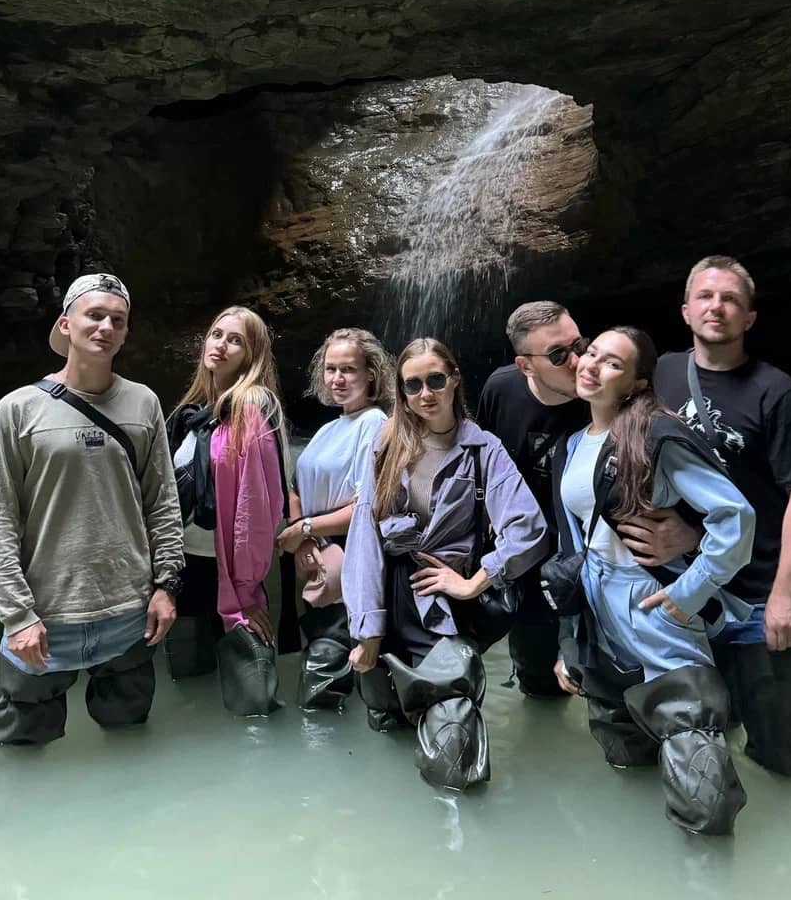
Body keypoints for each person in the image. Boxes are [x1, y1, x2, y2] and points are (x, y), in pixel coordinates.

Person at [551, 326, 755, 834]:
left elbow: (735, 517)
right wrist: (568, 641)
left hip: (650, 598)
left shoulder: (655, 436)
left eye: (613, 363)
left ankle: (709, 856)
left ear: (638, 383)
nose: (593, 365)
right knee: (622, 745)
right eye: (591, 353)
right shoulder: (571, 446)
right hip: (597, 605)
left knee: (692, 744)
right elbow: (573, 546)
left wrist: (689, 593)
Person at [0, 273, 184, 745]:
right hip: (45, 617)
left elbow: (162, 503)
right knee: (22, 747)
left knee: (129, 738)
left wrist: (166, 586)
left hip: (130, 615)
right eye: (95, 315)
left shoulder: (144, 403)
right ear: (66, 324)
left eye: (118, 320)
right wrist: (17, 615)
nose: (106, 327)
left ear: (126, 334)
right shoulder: (17, 409)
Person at [343, 337, 547, 790]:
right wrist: (368, 629)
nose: (425, 394)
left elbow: (528, 527)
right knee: (389, 728)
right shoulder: (386, 445)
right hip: (387, 597)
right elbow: (364, 539)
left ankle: (461, 829)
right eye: (413, 385)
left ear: (455, 378)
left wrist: (476, 581)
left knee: (454, 742)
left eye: (435, 380)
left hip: (442, 603)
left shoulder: (484, 450)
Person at [653, 255, 791, 776]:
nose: (717, 307)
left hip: (756, 597)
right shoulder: (661, 373)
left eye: (730, 299)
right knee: (703, 740)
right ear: (686, 311)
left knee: (787, 759)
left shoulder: (776, 392)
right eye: (705, 296)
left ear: (748, 317)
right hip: (685, 596)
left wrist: (785, 596)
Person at [477, 301, 701, 697]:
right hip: (532, 563)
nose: (579, 361)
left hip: (611, 566)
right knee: (540, 680)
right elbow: (483, 469)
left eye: (580, 345)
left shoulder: (610, 393)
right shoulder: (501, 389)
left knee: (639, 684)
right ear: (525, 366)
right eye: (558, 355)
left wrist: (692, 534)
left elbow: (684, 477)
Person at [164, 306, 285, 712]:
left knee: (252, 702)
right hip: (185, 568)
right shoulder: (193, 413)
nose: (221, 345)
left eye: (236, 340)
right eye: (217, 334)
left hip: (229, 575)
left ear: (252, 355)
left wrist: (247, 591)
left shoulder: (251, 408)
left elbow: (256, 510)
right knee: (191, 691)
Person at [276, 328, 393, 709]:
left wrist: (306, 530)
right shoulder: (329, 427)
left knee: (325, 673)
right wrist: (304, 539)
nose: (337, 379)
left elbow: (367, 508)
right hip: (314, 553)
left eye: (348, 369)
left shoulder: (374, 423)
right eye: (331, 369)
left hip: (347, 557)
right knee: (323, 661)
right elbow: (294, 487)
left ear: (371, 374)